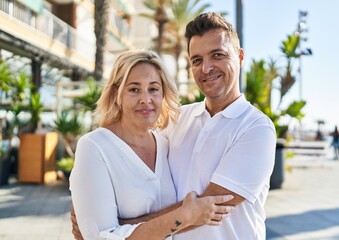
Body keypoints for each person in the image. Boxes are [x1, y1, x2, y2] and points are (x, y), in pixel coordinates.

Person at [72, 12, 276, 239]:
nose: (206, 68)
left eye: (217, 55)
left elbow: (204, 208)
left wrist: (117, 230)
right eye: (197, 60)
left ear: (239, 57)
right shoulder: (177, 120)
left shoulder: (256, 128)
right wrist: (91, 212)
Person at [69, 49, 235, 240]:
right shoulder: (94, 147)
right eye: (134, 89)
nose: (145, 99)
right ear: (117, 94)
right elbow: (99, 237)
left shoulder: (164, 144)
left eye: (153, 89)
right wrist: (185, 216)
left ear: (163, 93)